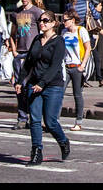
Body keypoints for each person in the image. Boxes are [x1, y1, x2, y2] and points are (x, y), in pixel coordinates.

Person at [22, 10, 69, 166]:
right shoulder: (36, 39)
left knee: (50, 122)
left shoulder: (59, 41)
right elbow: (28, 62)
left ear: (54, 23)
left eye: (46, 20)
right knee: (34, 120)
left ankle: (63, 142)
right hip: (33, 84)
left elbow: (55, 66)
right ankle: (36, 153)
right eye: (40, 21)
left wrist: (42, 84)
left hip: (52, 85)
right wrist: (20, 80)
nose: (42, 23)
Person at [8, 0, 44, 129]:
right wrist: (14, 50)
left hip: (33, 53)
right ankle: (22, 117)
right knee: (19, 87)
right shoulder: (16, 13)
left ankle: (35, 118)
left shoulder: (37, 12)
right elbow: (12, 32)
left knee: (33, 86)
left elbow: (44, 32)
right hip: (20, 53)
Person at [61, 8, 92, 132]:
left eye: (66, 20)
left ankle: (78, 122)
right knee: (59, 93)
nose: (64, 23)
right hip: (66, 66)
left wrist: (82, 65)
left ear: (73, 20)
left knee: (77, 94)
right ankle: (54, 120)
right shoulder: (64, 32)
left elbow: (88, 48)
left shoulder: (81, 31)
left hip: (77, 66)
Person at [88, 0, 103, 85]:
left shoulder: (96, 17)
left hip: (92, 40)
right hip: (89, 40)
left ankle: (97, 79)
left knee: (93, 59)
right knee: (96, 59)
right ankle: (99, 79)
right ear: (95, 7)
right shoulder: (92, 17)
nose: (101, 7)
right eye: (100, 5)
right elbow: (98, 29)